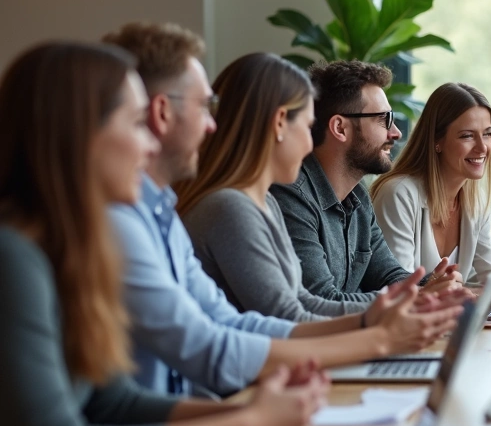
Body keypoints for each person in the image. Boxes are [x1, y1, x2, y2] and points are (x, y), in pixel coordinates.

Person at [0, 41, 329, 426]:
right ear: (78, 135)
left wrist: (248, 412)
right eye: (136, 124)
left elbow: (112, 401)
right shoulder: (14, 258)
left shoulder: (73, 249)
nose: (152, 143)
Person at [103, 24, 464, 397]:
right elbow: (249, 330)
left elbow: (239, 324)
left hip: (236, 397)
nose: (211, 125)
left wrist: (388, 315)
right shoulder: (223, 208)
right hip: (237, 395)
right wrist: (381, 334)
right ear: (280, 125)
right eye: (308, 126)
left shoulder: (184, 211)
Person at [177, 53, 375, 321]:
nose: (310, 145)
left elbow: (304, 302)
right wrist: (380, 327)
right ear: (280, 122)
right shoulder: (229, 208)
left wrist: (397, 309)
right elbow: (288, 317)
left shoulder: (265, 202)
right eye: (307, 128)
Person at [371, 82, 491, 307]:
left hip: (443, 328)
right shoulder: (399, 194)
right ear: (437, 141)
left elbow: (490, 275)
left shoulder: (474, 200)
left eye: (487, 134)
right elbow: (399, 291)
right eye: (467, 136)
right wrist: (481, 294)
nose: (482, 147)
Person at [270, 60, 421, 303]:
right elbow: (322, 300)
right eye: (384, 119)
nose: (396, 133)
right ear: (340, 128)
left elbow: (388, 275)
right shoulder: (291, 196)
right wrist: (416, 298)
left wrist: (436, 285)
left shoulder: (358, 196)